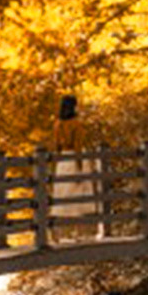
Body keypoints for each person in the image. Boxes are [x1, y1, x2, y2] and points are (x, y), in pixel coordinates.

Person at [51, 95, 99, 241]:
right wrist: (79, 168)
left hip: (62, 161)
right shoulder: (76, 125)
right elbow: (78, 147)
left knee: (62, 196)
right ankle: (78, 233)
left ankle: (56, 232)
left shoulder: (57, 124)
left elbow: (56, 147)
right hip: (74, 159)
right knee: (78, 197)